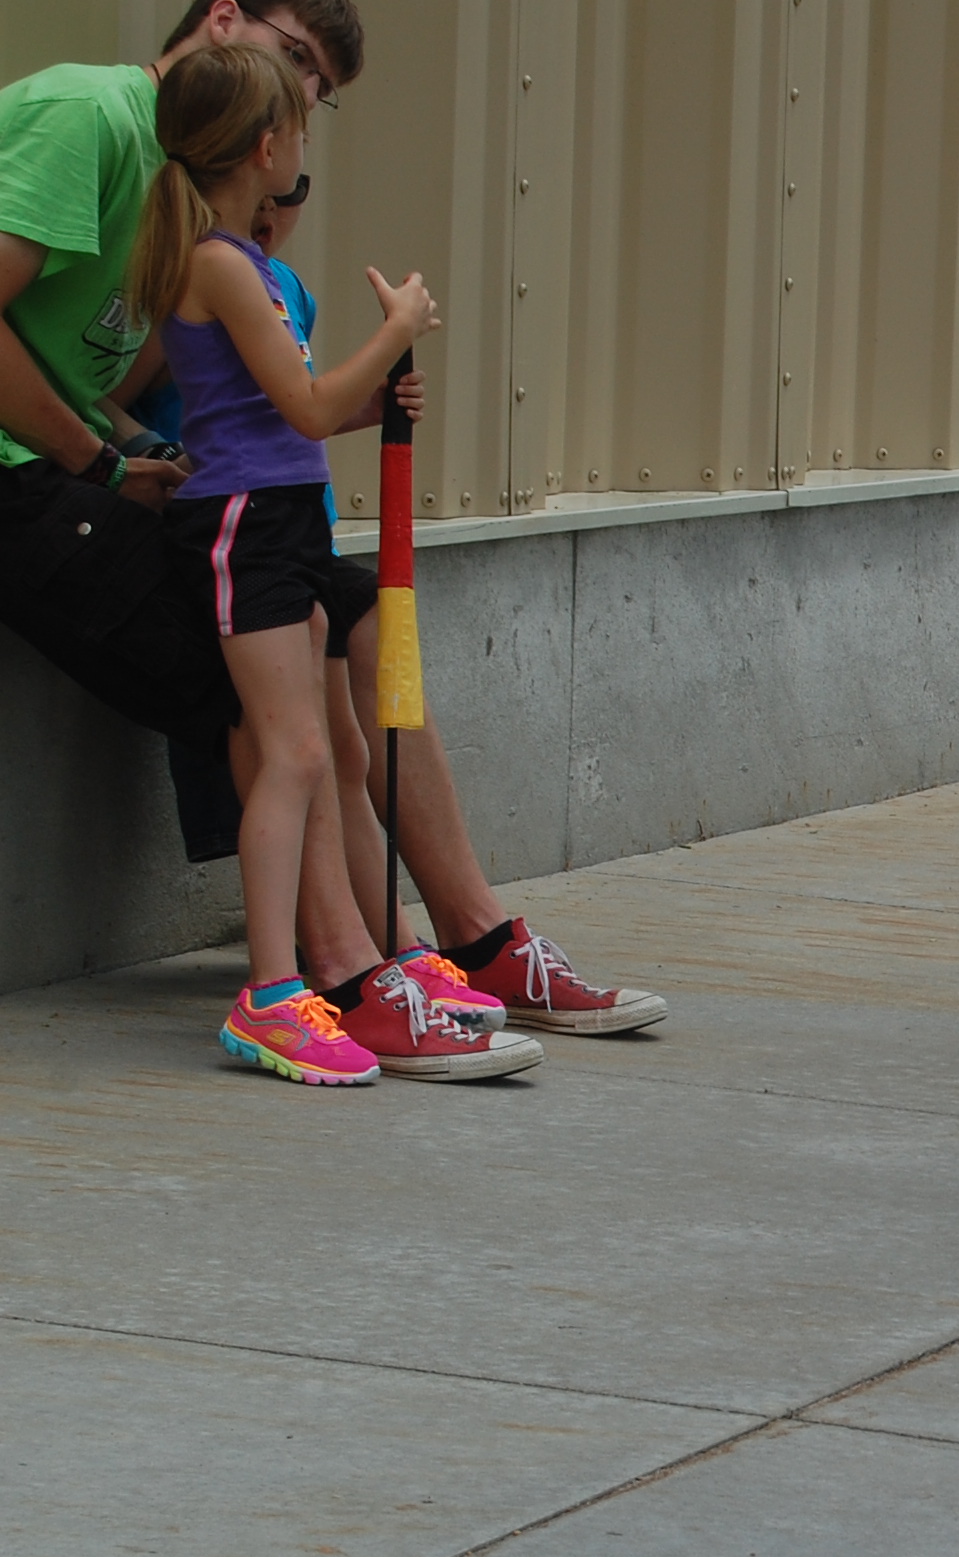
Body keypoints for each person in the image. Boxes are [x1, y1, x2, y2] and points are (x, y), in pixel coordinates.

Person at [0, 0, 667, 1041]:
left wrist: (132, 449)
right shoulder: (91, 114)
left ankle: (465, 935)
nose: (304, 101)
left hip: (101, 473)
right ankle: (337, 973)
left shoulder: (192, 217)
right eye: (298, 65)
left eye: (318, 93)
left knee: (358, 629)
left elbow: (121, 380)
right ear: (223, 21)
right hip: (23, 479)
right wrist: (98, 457)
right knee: (262, 688)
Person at [136, 43, 538, 1083]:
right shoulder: (218, 262)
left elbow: (296, 417)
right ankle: (272, 993)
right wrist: (393, 328)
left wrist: (372, 404)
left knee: (330, 749)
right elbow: (302, 407)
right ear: (266, 145)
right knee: (296, 756)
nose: (304, 146)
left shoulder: (252, 265)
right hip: (244, 526)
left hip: (284, 518)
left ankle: (336, 974)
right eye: (301, 128)